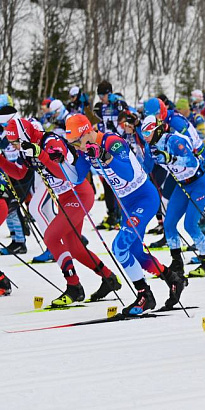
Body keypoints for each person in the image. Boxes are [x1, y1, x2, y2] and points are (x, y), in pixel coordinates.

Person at [61, 114, 186, 314]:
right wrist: (62, 161)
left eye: (77, 142)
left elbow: (127, 173)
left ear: (87, 133)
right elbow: (75, 178)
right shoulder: (84, 151)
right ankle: (173, 278)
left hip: (145, 198)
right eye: (72, 144)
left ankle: (144, 295)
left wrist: (105, 156)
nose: (77, 147)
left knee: (119, 247)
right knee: (135, 252)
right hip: (127, 204)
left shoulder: (113, 142)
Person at [1, 117, 120, 306]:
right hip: (65, 199)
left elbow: (62, 173)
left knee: (51, 237)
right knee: (74, 247)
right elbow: (19, 173)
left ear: (23, 136)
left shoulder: (50, 142)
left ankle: (74, 287)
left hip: (79, 193)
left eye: (16, 142)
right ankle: (109, 278)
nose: (14, 147)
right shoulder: (26, 149)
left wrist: (40, 154)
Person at [141, 115, 205, 278]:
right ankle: (177, 263)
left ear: (157, 130)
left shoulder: (174, 141)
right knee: (169, 224)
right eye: (143, 133)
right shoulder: (150, 147)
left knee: (190, 225)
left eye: (148, 132)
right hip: (182, 184)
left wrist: (170, 158)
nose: (145, 137)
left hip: (199, 182)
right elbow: (146, 168)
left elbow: (192, 162)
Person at [93, 80, 127, 230]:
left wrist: (120, 104)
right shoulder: (104, 106)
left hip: (119, 145)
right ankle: (112, 214)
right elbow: (101, 123)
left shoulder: (118, 103)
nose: (101, 98)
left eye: (103, 95)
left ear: (109, 93)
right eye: (99, 95)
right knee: (107, 181)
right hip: (106, 144)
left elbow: (127, 120)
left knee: (119, 181)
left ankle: (121, 214)